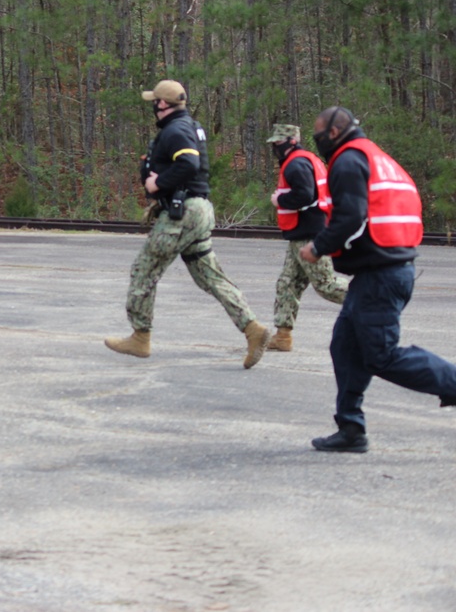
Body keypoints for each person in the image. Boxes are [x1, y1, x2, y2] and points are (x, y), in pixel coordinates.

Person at [301, 106, 456, 452]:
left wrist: (318, 247)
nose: (317, 140)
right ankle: (351, 429)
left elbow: (352, 217)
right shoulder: (378, 157)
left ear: (335, 132)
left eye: (319, 133)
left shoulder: (348, 160)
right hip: (382, 272)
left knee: (382, 355)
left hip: (381, 276)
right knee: (345, 346)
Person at [105, 80, 271, 369]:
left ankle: (140, 337)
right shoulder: (188, 126)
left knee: (144, 270)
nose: (153, 107)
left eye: (154, 102)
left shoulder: (176, 130)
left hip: (184, 213)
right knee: (208, 276)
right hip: (198, 210)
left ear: (163, 105)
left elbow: (189, 164)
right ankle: (253, 329)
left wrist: (157, 183)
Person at [265, 123, 348, 352]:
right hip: (300, 234)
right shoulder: (304, 159)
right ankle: (283, 336)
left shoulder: (297, 164)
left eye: (279, 143)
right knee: (287, 284)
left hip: (309, 235)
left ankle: (373, 302)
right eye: (274, 143)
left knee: (326, 284)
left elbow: (304, 194)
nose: (275, 147)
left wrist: (279, 201)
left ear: (292, 141)